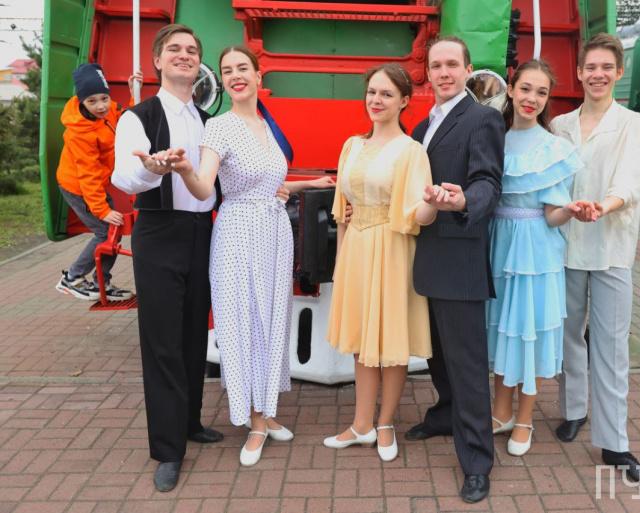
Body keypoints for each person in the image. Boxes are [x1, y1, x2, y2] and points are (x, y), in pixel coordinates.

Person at [168, 45, 333, 467]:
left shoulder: (266, 124)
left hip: (274, 232)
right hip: (239, 233)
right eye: (228, 71)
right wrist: (185, 171)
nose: (235, 76)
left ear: (259, 76)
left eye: (243, 68)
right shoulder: (219, 127)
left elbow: (270, 184)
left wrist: (308, 184)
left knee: (272, 319)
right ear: (223, 82)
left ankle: (266, 409)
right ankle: (255, 420)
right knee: (245, 321)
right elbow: (205, 187)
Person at [111, 24, 224, 492]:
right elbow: (124, 176)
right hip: (159, 231)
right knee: (162, 341)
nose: (184, 55)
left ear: (199, 64)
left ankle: (190, 421)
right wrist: (150, 168)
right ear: (157, 61)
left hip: (202, 231)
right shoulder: (137, 117)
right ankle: (167, 449)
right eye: (174, 49)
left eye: (192, 50)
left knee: (195, 330)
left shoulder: (208, 119)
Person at [550, 33, 640, 488]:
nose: (598, 74)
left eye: (606, 67)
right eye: (590, 67)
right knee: (568, 335)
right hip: (566, 245)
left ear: (618, 72)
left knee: (610, 347)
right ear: (579, 72)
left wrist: (601, 207)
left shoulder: (634, 124)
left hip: (611, 247)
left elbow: (630, 184)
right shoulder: (560, 126)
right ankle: (574, 410)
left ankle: (614, 442)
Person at [406, 36, 505, 504]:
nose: (443, 72)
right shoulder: (421, 126)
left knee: (466, 365)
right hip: (425, 255)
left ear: (468, 70)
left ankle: (478, 462)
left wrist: (465, 200)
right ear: (427, 73)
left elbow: (488, 181)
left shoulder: (483, 119)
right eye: (436, 66)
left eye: (451, 64)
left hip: (460, 256)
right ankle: (445, 415)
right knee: (438, 355)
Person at [323, 63, 435, 463]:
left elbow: (419, 213)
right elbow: (342, 209)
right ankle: (361, 424)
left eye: (386, 94)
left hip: (393, 247)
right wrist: (340, 262)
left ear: (404, 101)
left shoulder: (411, 151)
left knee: (390, 340)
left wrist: (434, 205)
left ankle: (385, 423)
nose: (376, 100)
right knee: (361, 339)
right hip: (356, 247)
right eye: (372, 92)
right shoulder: (352, 146)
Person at [487, 59, 587, 457]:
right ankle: (500, 412)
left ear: (547, 99)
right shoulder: (492, 138)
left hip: (535, 250)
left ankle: (524, 419)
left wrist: (570, 211)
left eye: (541, 92)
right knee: (501, 328)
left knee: (527, 330)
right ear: (511, 89)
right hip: (497, 243)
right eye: (526, 88)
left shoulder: (555, 149)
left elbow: (551, 215)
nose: (532, 98)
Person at [55, 63, 141, 301]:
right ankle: (72, 278)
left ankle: (101, 283)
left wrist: (133, 94)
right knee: (105, 230)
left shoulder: (108, 110)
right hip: (78, 186)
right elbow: (87, 174)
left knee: (113, 230)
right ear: (81, 101)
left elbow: (126, 121)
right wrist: (102, 210)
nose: (101, 106)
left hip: (96, 183)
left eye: (104, 98)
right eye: (92, 101)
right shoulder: (79, 132)